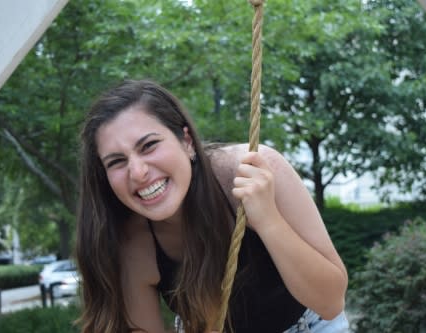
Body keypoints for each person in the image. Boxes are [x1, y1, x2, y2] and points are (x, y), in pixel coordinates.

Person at [75, 79, 349, 333]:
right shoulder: (134, 245)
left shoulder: (253, 171)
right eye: (116, 162)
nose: (137, 172)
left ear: (187, 142)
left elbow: (330, 303)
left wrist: (269, 221)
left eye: (149, 146)